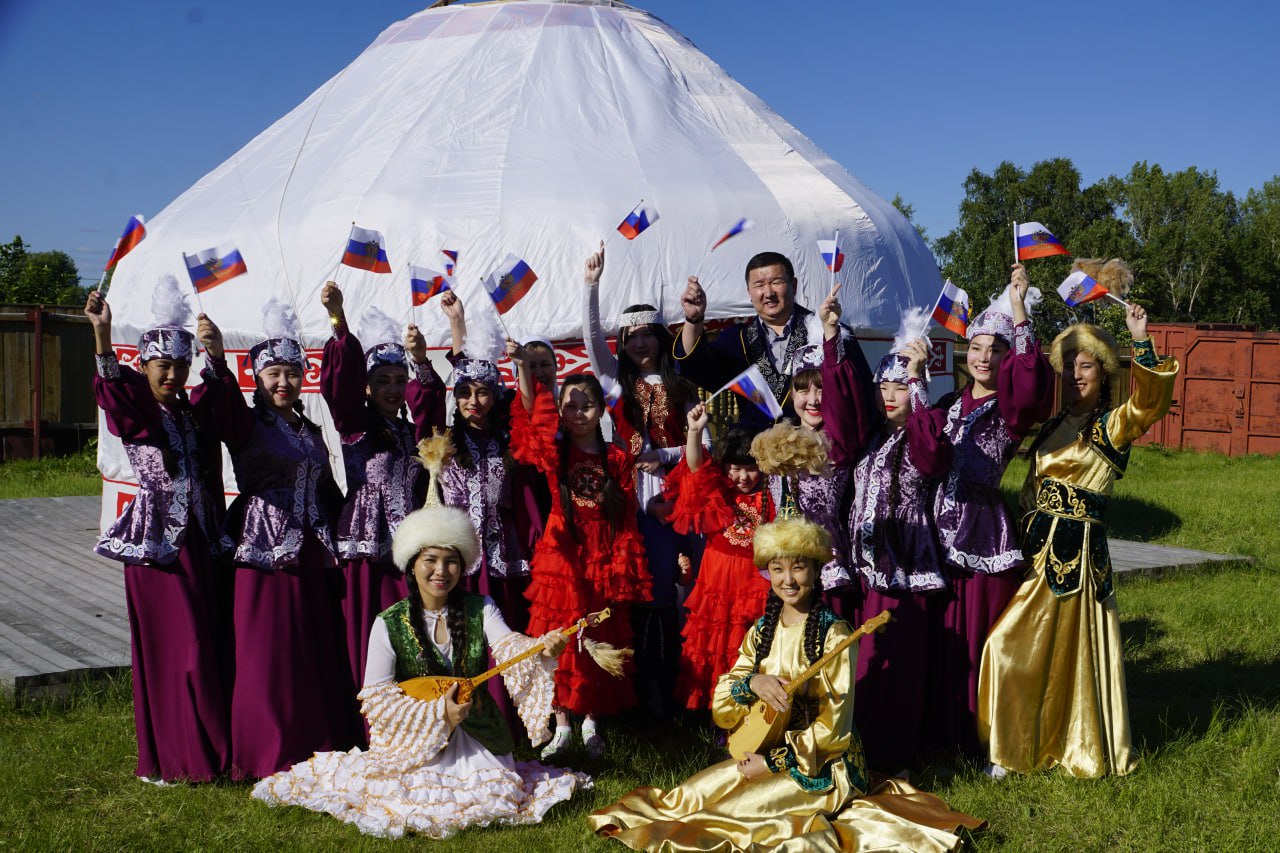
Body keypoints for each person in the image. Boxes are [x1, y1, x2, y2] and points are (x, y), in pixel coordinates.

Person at [588, 516, 984, 852]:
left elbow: (834, 729)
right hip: (767, 744)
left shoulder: (835, 635)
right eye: (778, 568)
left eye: (798, 567)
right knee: (688, 797)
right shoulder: (762, 630)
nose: (788, 579)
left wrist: (774, 763)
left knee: (728, 815)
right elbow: (724, 705)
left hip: (822, 766)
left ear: (815, 570)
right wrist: (753, 684)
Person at [251, 505, 591, 839]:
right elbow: (379, 699)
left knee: (494, 798)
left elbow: (510, 648)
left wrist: (541, 648)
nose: (441, 570)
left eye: (451, 560)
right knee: (405, 797)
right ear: (412, 565)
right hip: (415, 739)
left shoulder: (481, 608)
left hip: (478, 733)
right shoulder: (388, 623)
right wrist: (438, 712)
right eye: (431, 560)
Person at [979, 300, 1178, 778]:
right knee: (1030, 651)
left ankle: (1028, 750)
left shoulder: (1110, 426)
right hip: (1035, 552)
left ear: (1104, 374)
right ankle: (1028, 743)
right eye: (1068, 367)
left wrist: (1139, 337)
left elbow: (1150, 404)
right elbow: (1031, 488)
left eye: (1084, 366)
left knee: (1012, 648)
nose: (1074, 375)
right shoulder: (1052, 426)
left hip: (1077, 558)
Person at [85, 280, 233, 784]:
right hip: (156, 551)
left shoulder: (192, 414)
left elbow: (224, 402)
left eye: (179, 366)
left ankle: (209, 753)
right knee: (180, 651)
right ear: (144, 366)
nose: (171, 375)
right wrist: (103, 338)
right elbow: (111, 393)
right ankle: (177, 757)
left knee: (206, 645)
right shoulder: (140, 411)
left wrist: (214, 356)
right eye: (161, 366)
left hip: (200, 540)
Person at [220, 299, 354, 779]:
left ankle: (313, 741)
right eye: (273, 373)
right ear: (257, 376)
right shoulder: (246, 423)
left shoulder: (309, 427)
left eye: (292, 373)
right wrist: (216, 359)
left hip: (312, 551)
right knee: (268, 651)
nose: (283, 382)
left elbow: (325, 485)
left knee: (309, 648)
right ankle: (267, 750)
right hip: (263, 549)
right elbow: (219, 401)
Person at [925, 264, 1055, 759]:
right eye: (975, 348)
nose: (982, 357)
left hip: (982, 533)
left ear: (1007, 356)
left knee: (980, 636)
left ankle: (984, 738)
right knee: (943, 637)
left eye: (993, 350)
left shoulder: (1010, 407)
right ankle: (939, 732)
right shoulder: (949, 402)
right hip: (936, 529)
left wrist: (1019, 312)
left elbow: (1031, 386)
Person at [825, 310, 953, 774]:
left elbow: (933, 456)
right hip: (865, 569)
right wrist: (831, 338)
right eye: (886, 387)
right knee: (867, 665)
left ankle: (894, 754)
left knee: (898, 663)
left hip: (904, 569)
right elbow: (841, 412)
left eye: (900, 387)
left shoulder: (928, 428)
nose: (892, 396)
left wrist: (919, 381)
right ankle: (861, 746)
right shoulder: (872, 438)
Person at [509, 355, 651, 759]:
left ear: (601, 409)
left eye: (586, 404)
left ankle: (591, 722)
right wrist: (523, 370)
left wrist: (622, 570)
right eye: (569, 405)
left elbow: (626, 520)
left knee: (597, 637)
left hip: (603, 556)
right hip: (561, 558)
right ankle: (562, 724)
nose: (578, 413)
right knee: (557, 639)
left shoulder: (619, 459)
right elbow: (527, 423)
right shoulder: (554, 453)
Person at [582, 243, 701, 720]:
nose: (639, 344)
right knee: (647, 594)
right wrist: (590, 285)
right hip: (636, 497)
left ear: (658, 336)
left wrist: (664, 454)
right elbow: (591, 341)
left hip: (684, 492)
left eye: (647, 335)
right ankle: (647, 696)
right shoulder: (615, 385)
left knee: (686, 590)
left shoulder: (684, 386)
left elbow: (704, 444)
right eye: (630, 337)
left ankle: (686, 693)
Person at [319, 282, 447, 699]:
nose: (393, 388)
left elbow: (432, 414)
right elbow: (339, 387)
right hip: (367, 544)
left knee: (410, 631)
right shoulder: (355, 425)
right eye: (383, 380)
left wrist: (422, 361)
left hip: (407, 545)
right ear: (367, 386)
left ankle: (414, 713)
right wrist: (339, 321)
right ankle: (373, 718)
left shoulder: (411, 433)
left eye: (399, 380)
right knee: (370, 632)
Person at [666, 407, 773, 711]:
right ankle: (718, 709)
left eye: (750, 467)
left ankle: (749, 709)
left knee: (747, 645)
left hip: (753, 584)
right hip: (717, 580)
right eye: (735, 468)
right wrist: (695, 431)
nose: (742, 476)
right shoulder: (720, 491)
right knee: (715, 645)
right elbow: (696, 469)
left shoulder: (772, 494)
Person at [674, 252, 814, 430]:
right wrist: (694, 318)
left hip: (815, 448)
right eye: (759, 285)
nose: (769, 292)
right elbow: (697, 366)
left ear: (794, 285)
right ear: (749, 292)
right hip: (756, 449)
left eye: (776, 282)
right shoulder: (737, 339)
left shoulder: (823, 331)